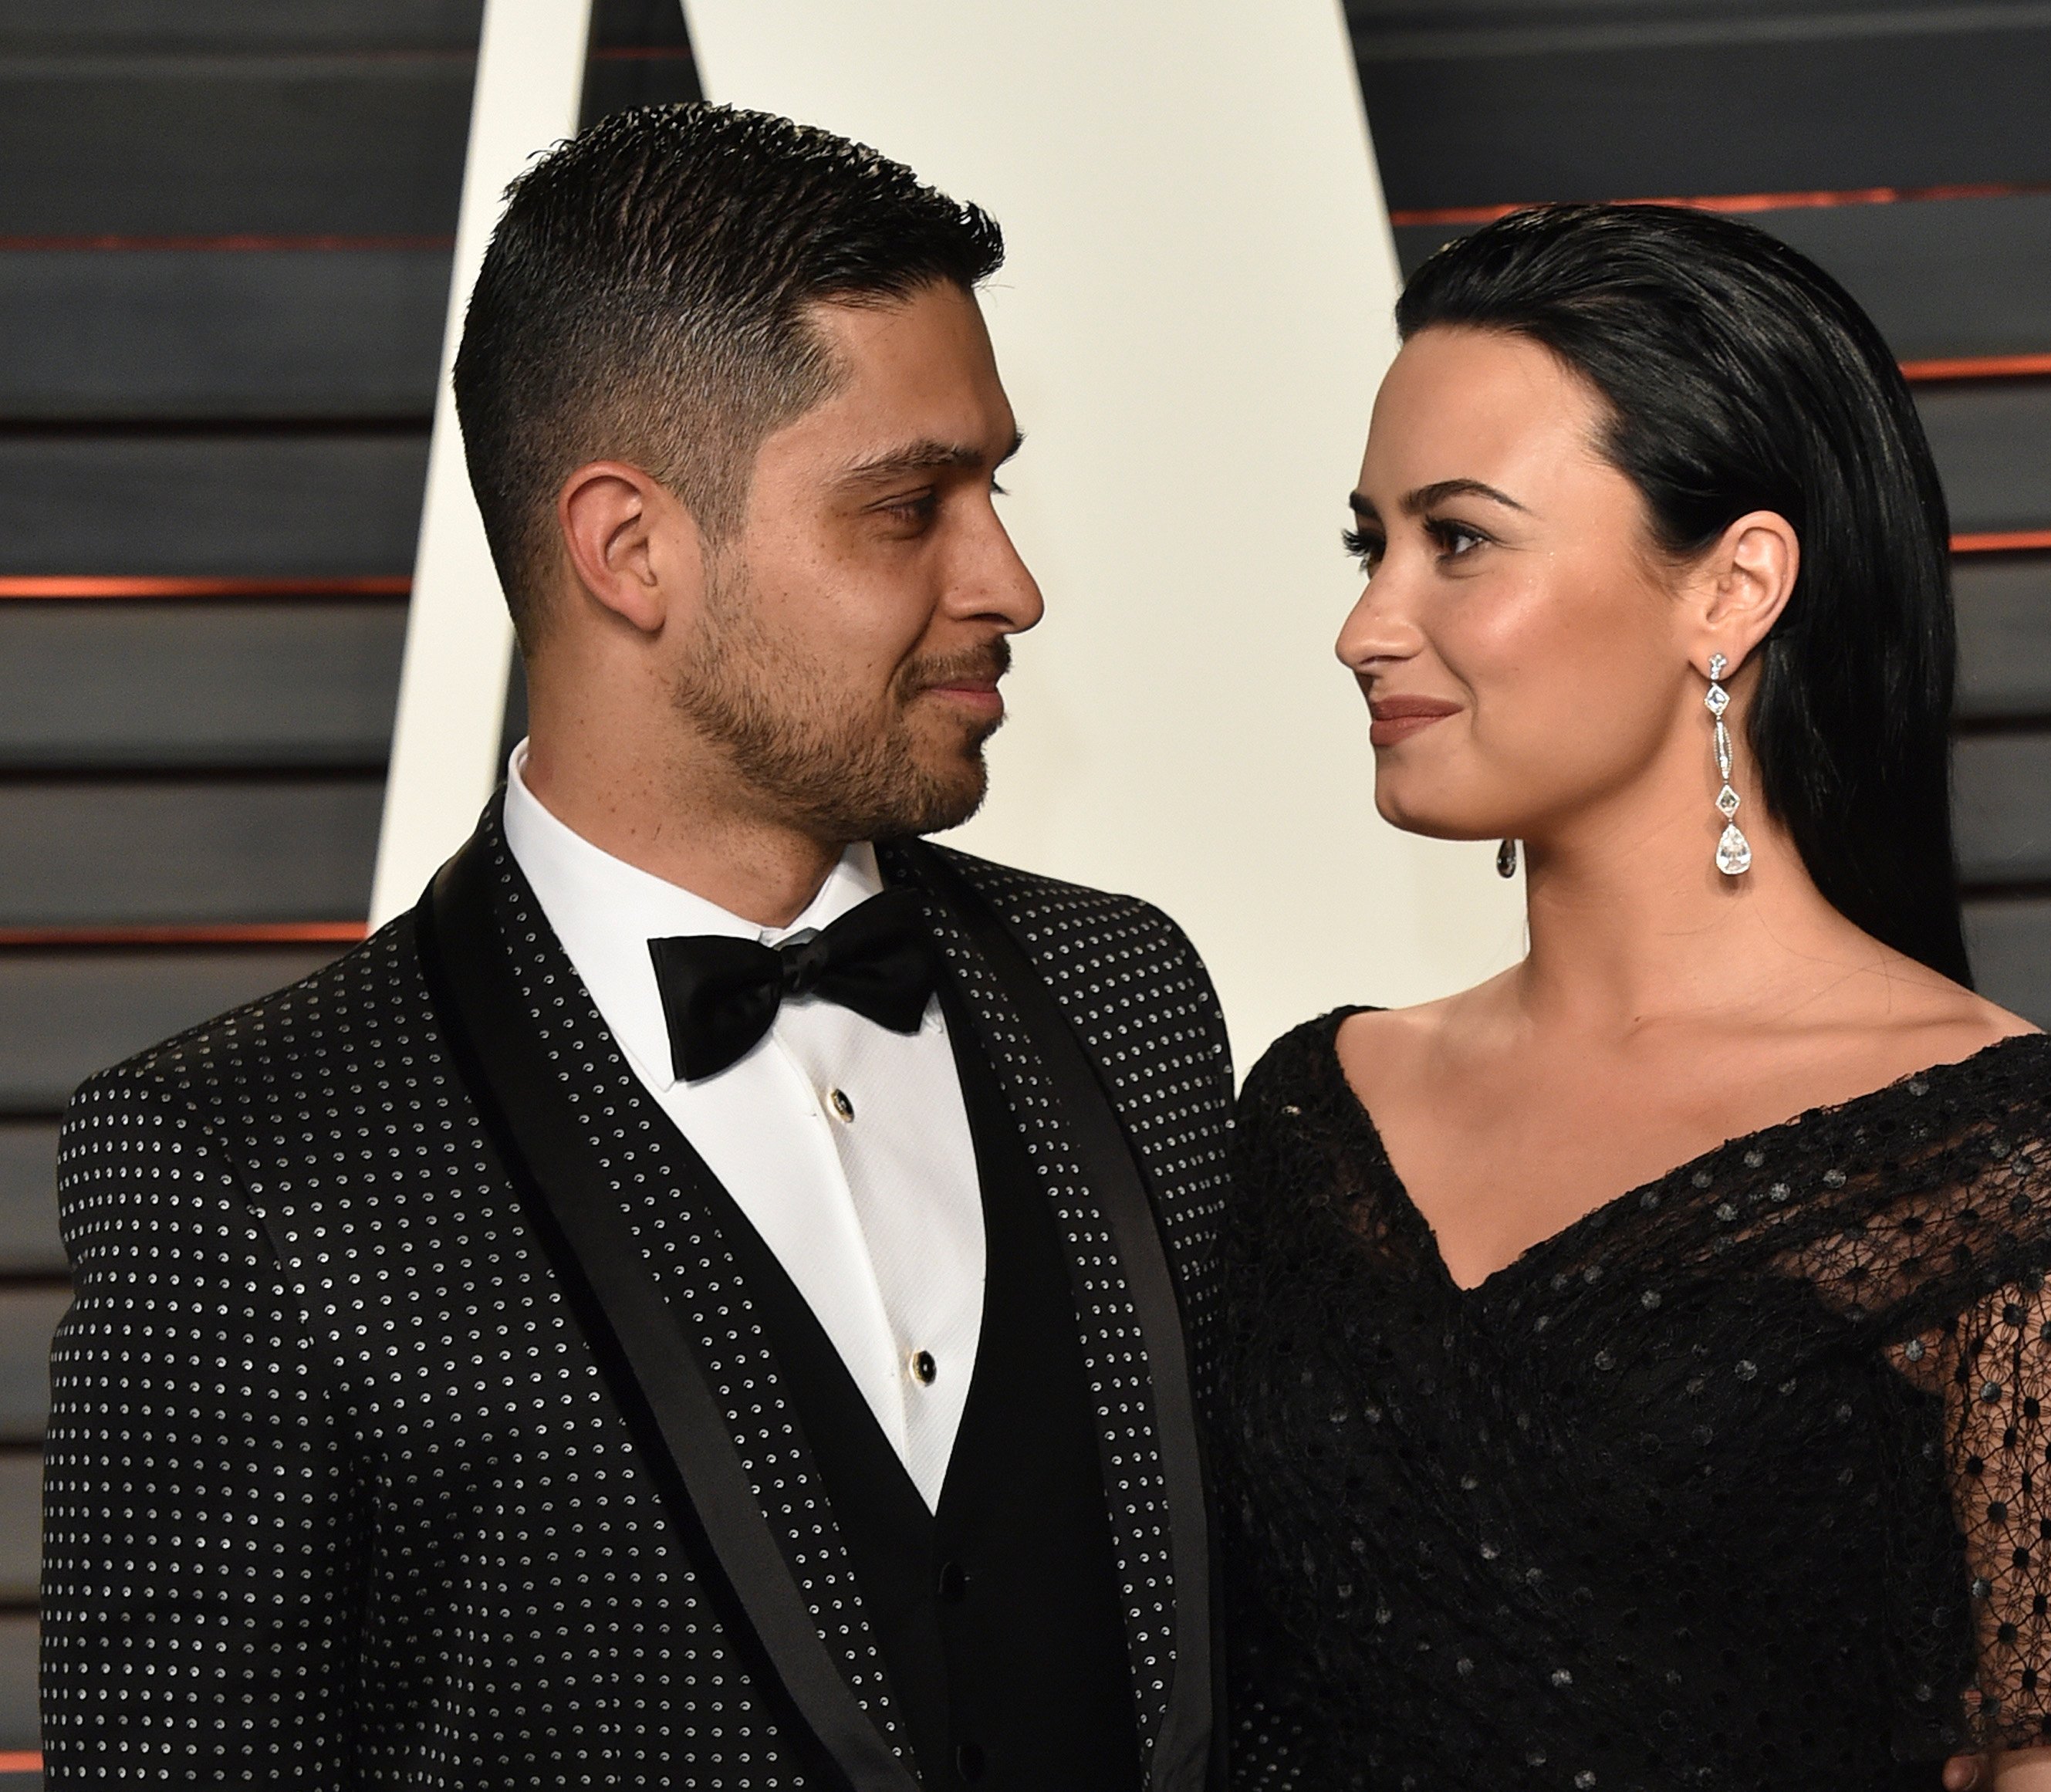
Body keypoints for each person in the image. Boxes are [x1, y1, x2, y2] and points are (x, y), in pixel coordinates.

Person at [43, 106, 1228, 1790]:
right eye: (908, 510)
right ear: (631, 549)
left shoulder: (1129, 998)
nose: (1012, 583)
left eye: (997, 487)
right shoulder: (241, 1163)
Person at [1218, 203, 2051, 1792]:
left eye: (1461, 538)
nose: (1368, 626)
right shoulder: (1311, 1116)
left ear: (1732, 589)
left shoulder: (2013, 1172)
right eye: (1373, 545)